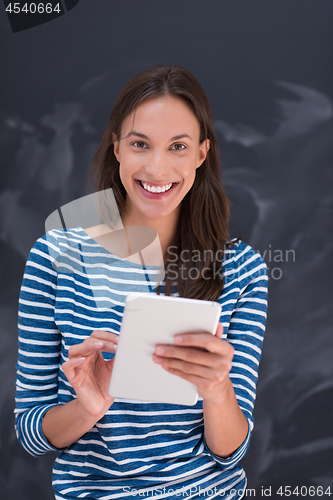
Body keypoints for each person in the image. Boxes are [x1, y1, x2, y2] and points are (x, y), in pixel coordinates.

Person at [15, 65, 268, 499]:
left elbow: (231, 451)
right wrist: (88, 408)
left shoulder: (241, 268)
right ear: (116, 148)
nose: (157, 167)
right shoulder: (56, 257)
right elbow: (31, 432)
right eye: (139, 144)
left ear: (201, 154)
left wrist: (216, 388)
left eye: (178, 147)